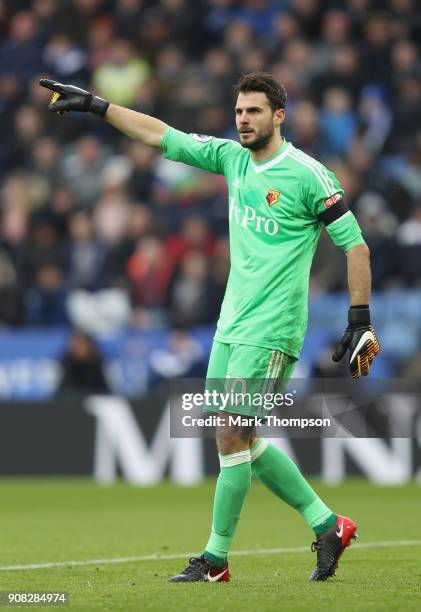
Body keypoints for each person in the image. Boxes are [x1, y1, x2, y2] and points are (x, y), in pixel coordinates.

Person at [39, 72, 380, 583]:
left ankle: (215, 560)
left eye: (254, 111)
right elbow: (161, 134)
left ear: (279, 116)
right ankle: (328, 524)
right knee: (241, 436)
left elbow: (356, 246)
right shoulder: (230, 159)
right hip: (230, 324)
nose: (243, 119)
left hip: (271, 329)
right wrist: (97, 106)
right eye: (239, 111)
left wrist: (360, 320)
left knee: (229, 434)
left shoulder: (309, 175)